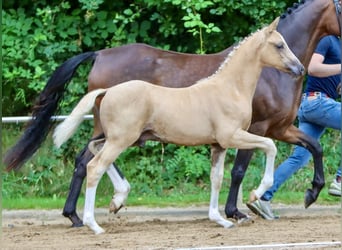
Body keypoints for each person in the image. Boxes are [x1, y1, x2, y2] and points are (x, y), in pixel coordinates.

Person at [247, 35, 342, 220]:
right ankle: (339, 179)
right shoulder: (328, 40)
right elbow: (313, 68)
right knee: (299, 157)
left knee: (299, 157)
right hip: (317, 102)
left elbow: (330, 79)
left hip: (313, 106)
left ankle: (263, 197)